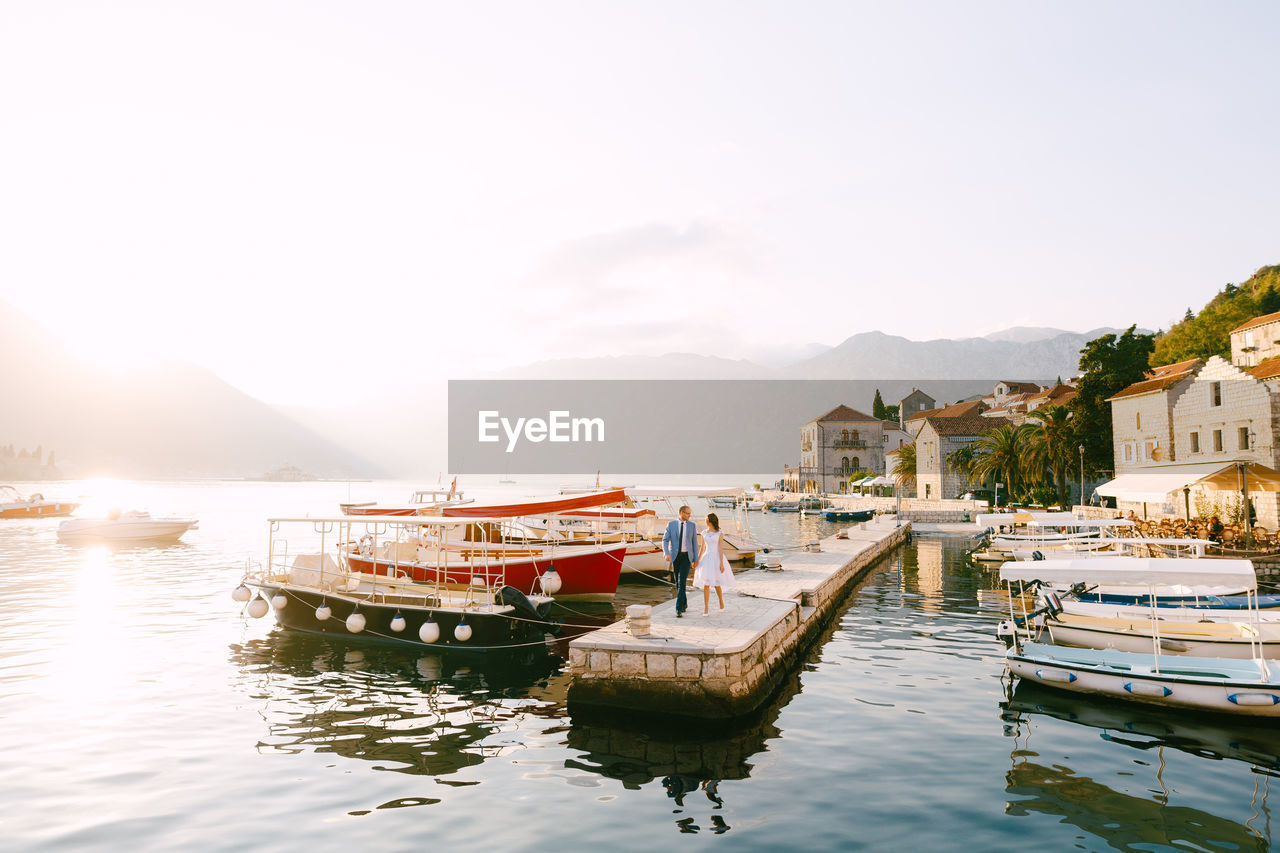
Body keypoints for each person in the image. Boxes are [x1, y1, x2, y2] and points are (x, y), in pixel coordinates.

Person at [692, 512, 736, 616]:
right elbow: (702, 548)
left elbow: (720, 548)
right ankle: (706, 608)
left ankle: (721, 602)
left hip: (716, 558)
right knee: (706, 584)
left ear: (710, 521)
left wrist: (721, 563)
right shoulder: (704, 533)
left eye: (706, 519)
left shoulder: (719, 532)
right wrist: (697, 560)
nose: (705, 521)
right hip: (706, 558)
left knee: (717, 584)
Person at [662, 505, 700, 617]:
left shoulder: (692, 526)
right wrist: (666, 553)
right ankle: (684, 603)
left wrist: (695, 559)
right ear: (681, 513)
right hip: (675, 556)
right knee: (678, 583)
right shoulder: (671, 524)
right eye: (687, 513)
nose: (689, 515)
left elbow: (694, 543)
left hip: (687, 557)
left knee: (682, 581)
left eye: (689, 513)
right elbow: (665, 540)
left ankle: (678, 609)